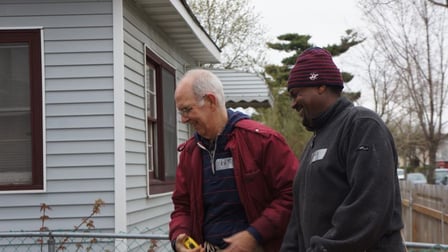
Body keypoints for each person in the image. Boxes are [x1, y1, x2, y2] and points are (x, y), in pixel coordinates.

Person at [280, 47, 405, 252]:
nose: (293, 104)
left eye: (296, 94)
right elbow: (298, 219)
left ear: (320, 85)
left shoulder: (362, 125)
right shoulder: (315, 142)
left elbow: (368, 208)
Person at [169, 69, 299, 252]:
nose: (183, 119)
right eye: (180, 112)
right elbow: (182, 206)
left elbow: (292, 194)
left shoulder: (263, 141)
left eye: (187, 110)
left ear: (210, 101)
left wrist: (255, 234)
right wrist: (180, 236)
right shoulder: (190, 153)